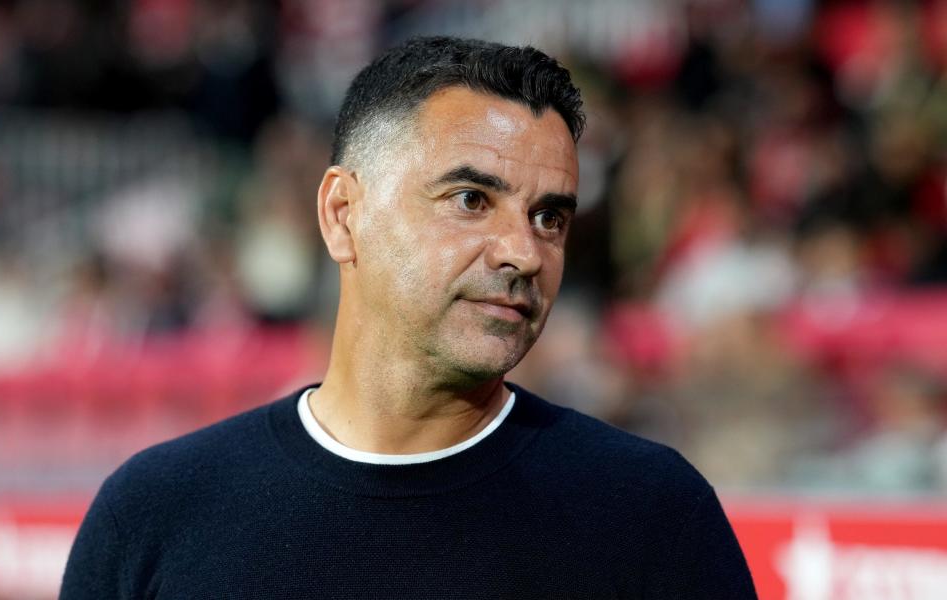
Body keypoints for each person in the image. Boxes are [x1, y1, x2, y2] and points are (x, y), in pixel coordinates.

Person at [60, 36, 757, 599]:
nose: (523, 251)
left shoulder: (650, 514)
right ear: (343, 215)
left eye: (550, 217)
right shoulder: (154, 514)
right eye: (470, 200)